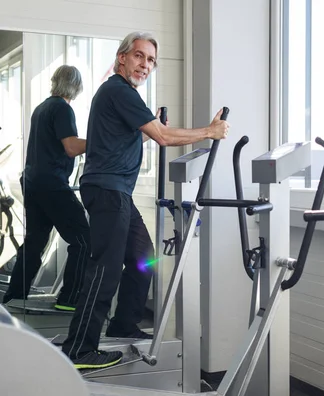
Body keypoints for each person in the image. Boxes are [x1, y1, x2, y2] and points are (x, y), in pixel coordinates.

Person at [60, 31, 229, 370]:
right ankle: (79, 349)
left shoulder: (123, 96)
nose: (145, 64)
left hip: (117, 191)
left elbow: (150, 131)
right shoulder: (118, 90)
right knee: (105, 271)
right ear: (122, 58)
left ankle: (124, 322)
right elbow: (163, 137)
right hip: (109, 191)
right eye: (139, 56)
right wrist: (209, 133)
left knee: (143, 258)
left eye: (151, 60)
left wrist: (151, 124)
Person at [2, 65, 89, 312]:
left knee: (34, 242)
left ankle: (13, 297)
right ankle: (69, 299)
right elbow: (71, 147)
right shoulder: (62, 108)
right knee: (84, 240)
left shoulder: (42, 108)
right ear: (76, 87)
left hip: (32, 182)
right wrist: (101, 141)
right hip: (52, 184)